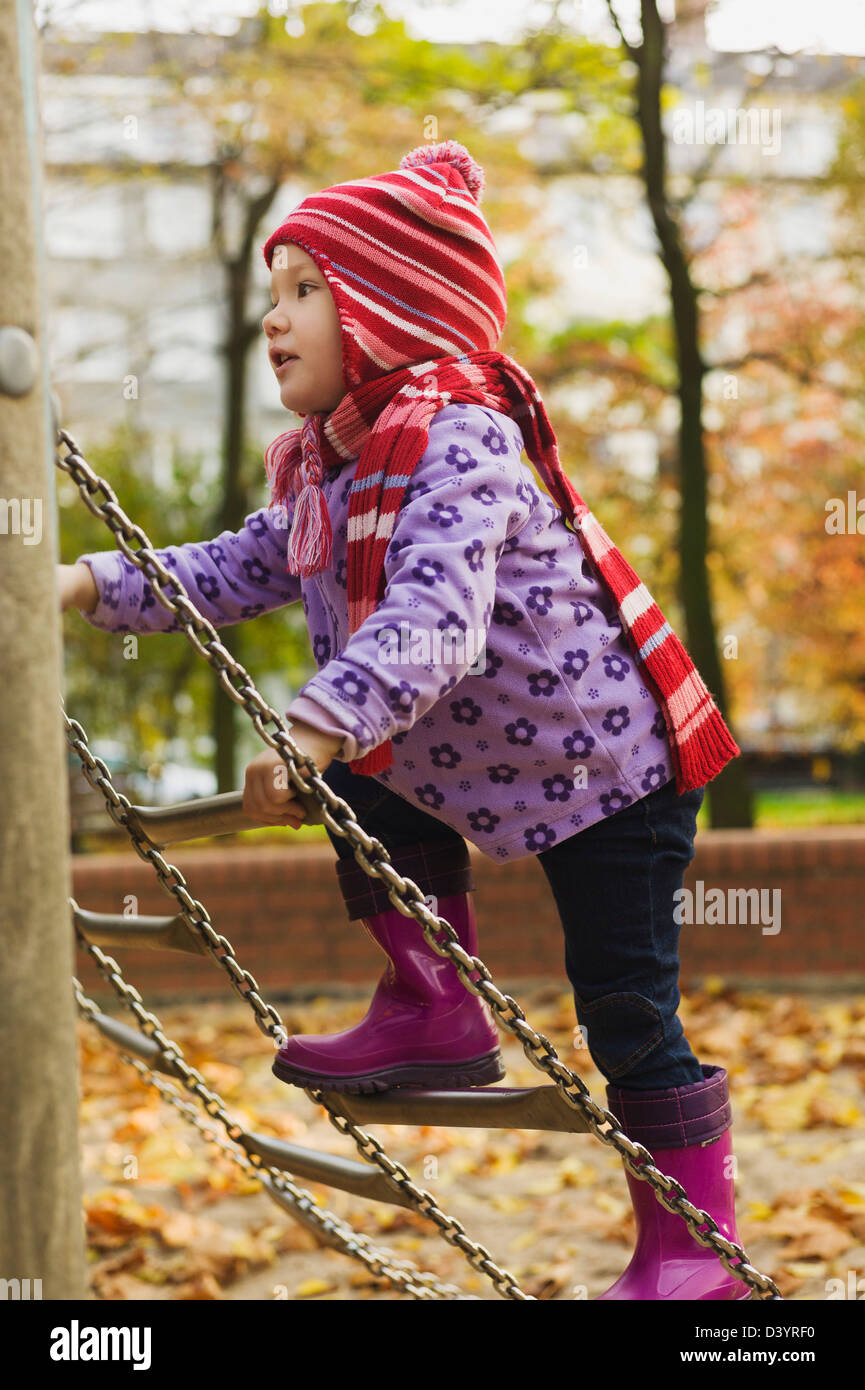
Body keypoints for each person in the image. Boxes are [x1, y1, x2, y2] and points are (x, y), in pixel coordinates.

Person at [58, 141, 750, 1298]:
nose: (272, 319)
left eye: (305, 290)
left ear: (389, 304)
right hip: (471, 761)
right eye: (270, 293)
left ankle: (693, 1247)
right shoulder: (328, 474)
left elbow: (437, 617)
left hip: (608, 773)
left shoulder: (459, 437)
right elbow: (231, 569)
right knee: (360, 777)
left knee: (624, 1010)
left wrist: (317, 727)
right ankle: (432, 1002)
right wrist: (82, 581)